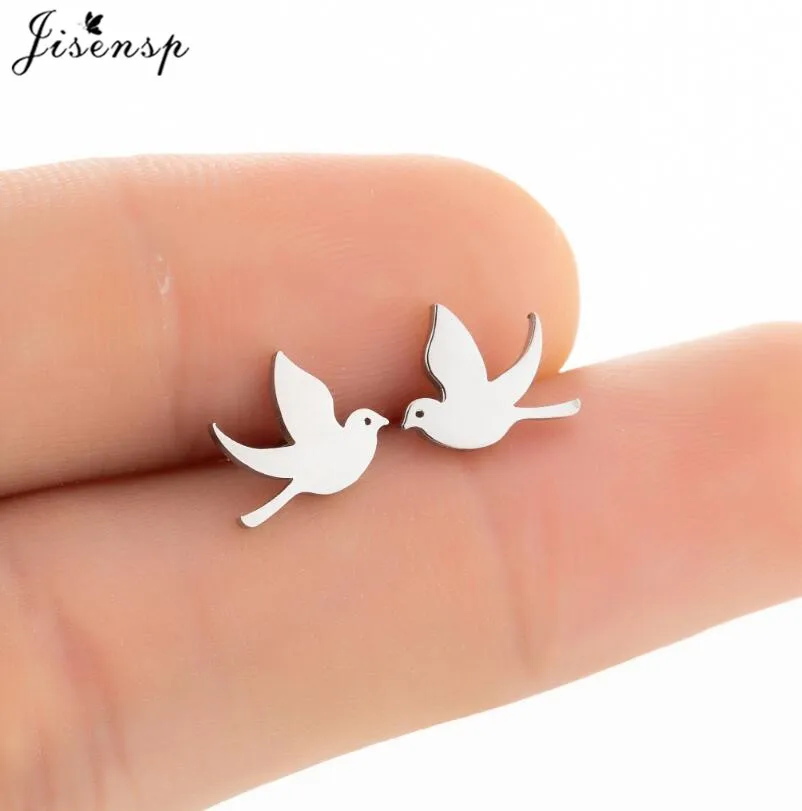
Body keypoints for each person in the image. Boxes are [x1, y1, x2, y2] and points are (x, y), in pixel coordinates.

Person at [1, 154, 799, 811]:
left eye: (408, 414)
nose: (399, 422)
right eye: (404, 416)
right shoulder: (361, 432)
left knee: (503, 418)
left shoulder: (421, 416)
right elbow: (312, 396)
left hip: (439, 427)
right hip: (326, 460)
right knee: (312, 477)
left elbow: (443, 378)